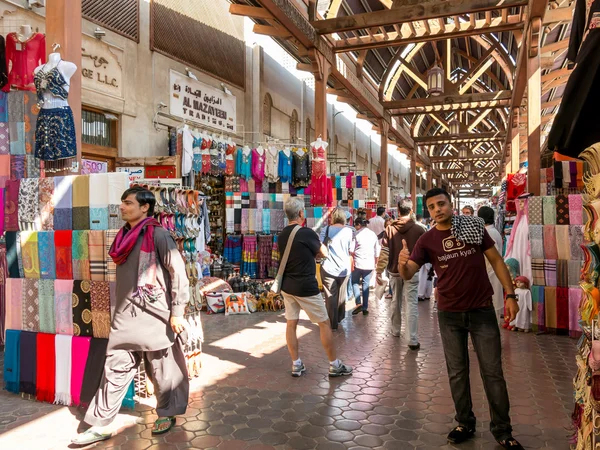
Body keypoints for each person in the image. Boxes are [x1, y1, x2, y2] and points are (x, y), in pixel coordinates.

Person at [397, 188, 524, 450]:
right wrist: (401, 263)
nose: (437, 209)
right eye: (431, 207)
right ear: (428, 211)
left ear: (451, 204)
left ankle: (502, 430)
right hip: (449, 315)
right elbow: (409, 272)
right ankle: (464, 422)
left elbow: (498, 262)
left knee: (493, 373)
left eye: (441, 204)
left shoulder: (473, 228)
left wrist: (511, 295)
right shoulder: (427, 240)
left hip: (481, 311)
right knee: (457, 372)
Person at [72, 187, 190, 446]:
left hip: (156, 314)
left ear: (145, 207)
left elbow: (178, 271)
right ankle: (101, 423)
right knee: (114, 368)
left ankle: (167, 413)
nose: (122, 207)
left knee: (161, 370)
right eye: (122, 202)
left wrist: (178, 311)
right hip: (126, 315)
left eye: (128, 203)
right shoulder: (123, 237)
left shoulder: (159, 235)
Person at [278, 198, 352, 377]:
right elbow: (324, 252)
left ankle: (296, 364)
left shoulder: (282, 235)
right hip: (306, 286)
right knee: (324, 323)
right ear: (301, 213)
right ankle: (334, 364)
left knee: (291, 323)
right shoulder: (306, 233)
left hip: (287, 286)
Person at [376, 199, 425, 350]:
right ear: (411, 211)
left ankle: (396, 330)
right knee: (411, 303)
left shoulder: (390, 229)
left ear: (398, 210)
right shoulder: (419, 229)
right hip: (413, 271)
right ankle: (412, 338)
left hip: (394, 271)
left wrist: (379, 270)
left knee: (395, 301)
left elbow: (384, 251)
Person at [320, 208, 354, 330]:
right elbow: (351, 250)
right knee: (341, 294)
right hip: (344, 268)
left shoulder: (326, 229)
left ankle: (332, 322)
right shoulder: (349, 231)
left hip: (328, 267)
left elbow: (320, 247)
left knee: (330, 295)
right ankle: (339, 318)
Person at [477, 206, 505, 319]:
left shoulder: (489, 233)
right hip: (491, 275)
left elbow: (491, 258)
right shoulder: (493, 232)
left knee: (490, 314)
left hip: (490, 275)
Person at [350, 218, 381, 316]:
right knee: (365, 285)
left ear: (359, 224)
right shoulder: (373, 234)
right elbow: (377, 250)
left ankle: (358, 302)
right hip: (369, 264)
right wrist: (376, 262)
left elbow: (351, 249)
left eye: (355, 225)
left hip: (358, 263)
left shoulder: (356, 234)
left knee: (354, 282)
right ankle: (365, 307)